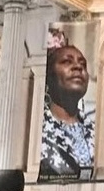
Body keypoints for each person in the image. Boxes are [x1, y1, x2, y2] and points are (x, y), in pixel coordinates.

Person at [39, 37, 95, 179]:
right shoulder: (38, 127)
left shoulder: (94, 129)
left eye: (83, 64)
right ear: (49, 76)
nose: (78, 67)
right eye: (67, 62)